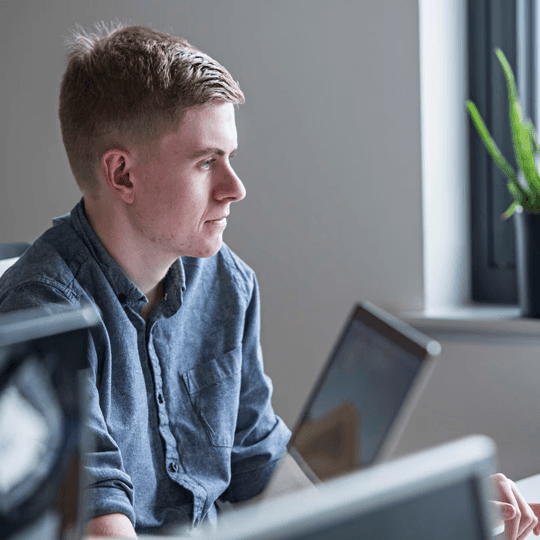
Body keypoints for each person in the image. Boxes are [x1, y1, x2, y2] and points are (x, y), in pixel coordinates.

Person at [0, 22, 537, 540]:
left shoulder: (226, 283)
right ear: (122, 174)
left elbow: (265, 470)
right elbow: (98, 527)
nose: (235, 188)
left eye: (230, 158)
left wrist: (437, 503)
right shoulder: (41, 315)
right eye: (207, 162)